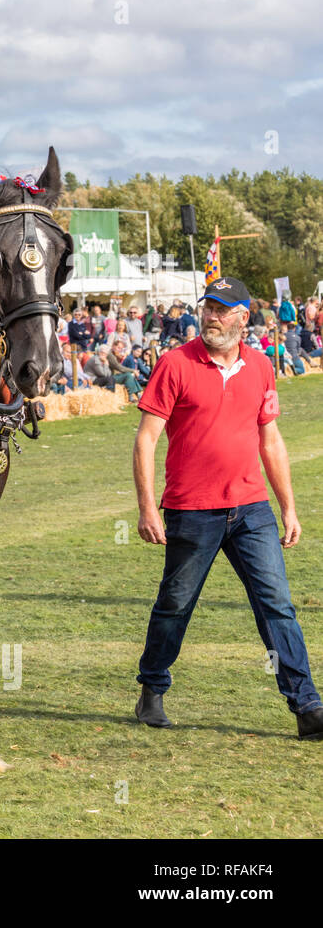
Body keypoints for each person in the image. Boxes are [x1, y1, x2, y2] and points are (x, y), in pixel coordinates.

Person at [132, 276, 323, 739]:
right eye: (208, 307)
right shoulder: (175, 363)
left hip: (252, 508)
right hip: (191, 510)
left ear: (242, 316)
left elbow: (270, 439)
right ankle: (152, 688)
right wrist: (146, 508)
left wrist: (289, 508)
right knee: (175, 605)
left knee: (277, 607)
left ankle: (307, 707)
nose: (211, 316)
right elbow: (146, 438)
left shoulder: (260, 366)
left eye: (222, 309)